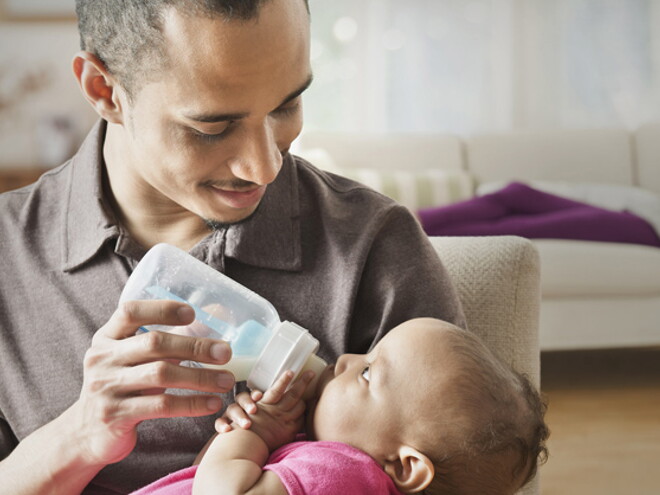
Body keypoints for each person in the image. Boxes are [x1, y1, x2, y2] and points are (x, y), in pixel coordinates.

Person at [0, 0, 465, 493]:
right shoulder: (9, 258)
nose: (264, 168)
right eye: (212, 127)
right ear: (105, 89)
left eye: (287, 105)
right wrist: (81, 434)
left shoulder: (375, 246)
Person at [131, 318, 549, 495]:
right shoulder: (328, 465)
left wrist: (253, 435)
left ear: (405, 467)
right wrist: (245, 443)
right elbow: (200, 479)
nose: (346, 359)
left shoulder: (342, 474)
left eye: (368, 373)